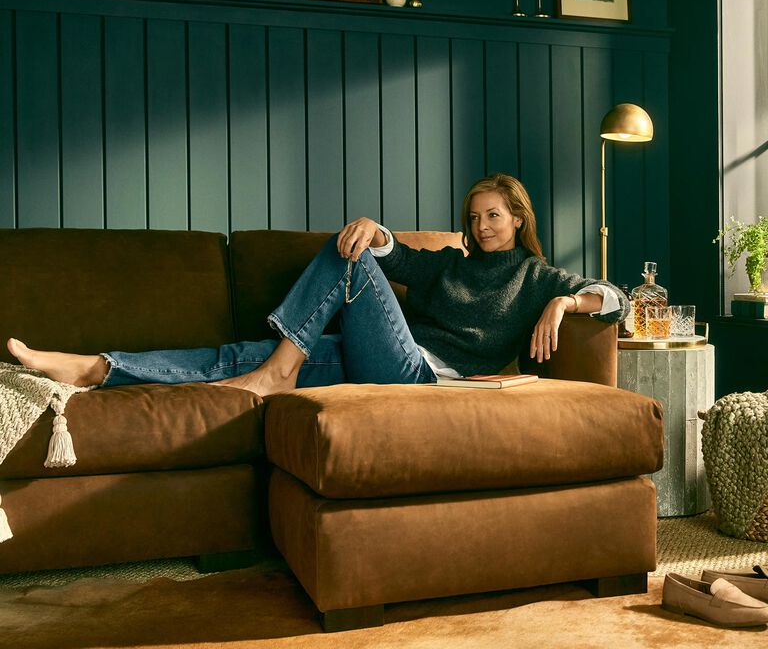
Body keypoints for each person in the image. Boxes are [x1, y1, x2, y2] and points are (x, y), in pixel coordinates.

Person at [7, 173, 628, 396]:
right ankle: (97, 368)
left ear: (518, 218)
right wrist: (375, 228)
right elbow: (393, 255)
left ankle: (280, 369)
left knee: (349, 263)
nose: (481, 225)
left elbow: (618, 296)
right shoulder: (447, 261)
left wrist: (564, 299)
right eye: (473, 216)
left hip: (426, 380)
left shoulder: (537, 275)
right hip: (380, 359)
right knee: (235, 358)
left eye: (493, 215)